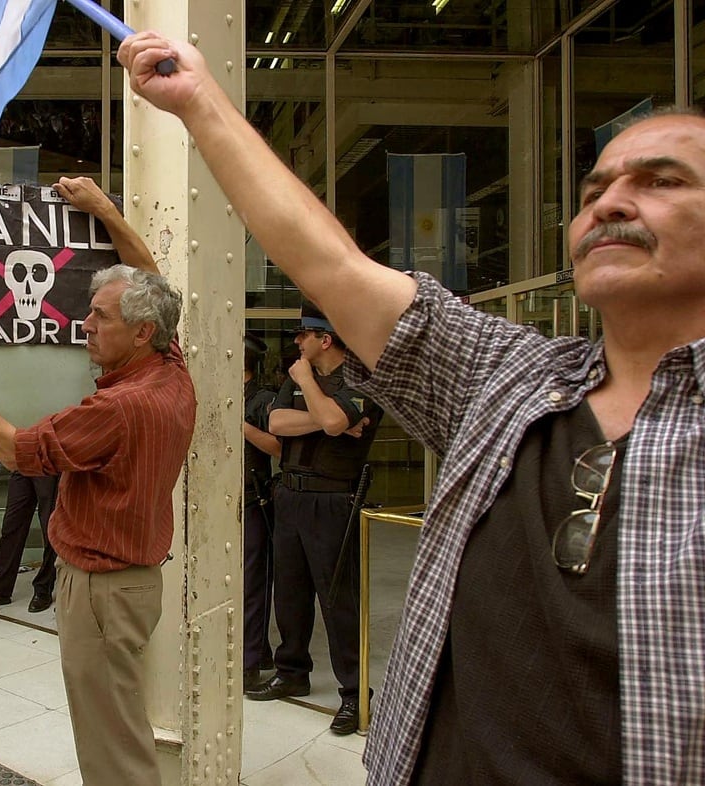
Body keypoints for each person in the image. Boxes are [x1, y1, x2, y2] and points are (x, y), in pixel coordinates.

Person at [120, 32, 705, 785]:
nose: (611, 202)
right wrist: (199, 103)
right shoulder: (509, 379)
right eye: (592, 192)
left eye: (662, 181)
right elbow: (333, 266)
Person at [0, 176, 196, 786]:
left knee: (111, 749)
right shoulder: (172, 372)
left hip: (100, 590)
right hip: (134, 583)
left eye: (99, 316)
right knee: (121, 727)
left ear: (142, 332)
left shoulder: (116, 409)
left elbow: (16, 451)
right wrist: (104, 211)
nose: (81, 323)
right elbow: (155, 283)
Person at [248, 306, 382, 739]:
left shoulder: (360, 379)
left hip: (333, 496)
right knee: (290, 591)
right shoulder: (293, 378)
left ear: (326, 339)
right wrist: (332, 424)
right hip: (290, 493)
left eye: (303, 335)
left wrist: (311, 389)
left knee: (338, 597)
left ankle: (354, 691)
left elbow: (329, 419)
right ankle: (292, 671)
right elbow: (276, 422)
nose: (296, 344)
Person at [240, 331, 279, 691]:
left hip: (253, 499)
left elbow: (277, 447)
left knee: (253, 584)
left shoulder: (264, 399)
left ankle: (249, 664)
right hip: (231, 501)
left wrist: (240, 425)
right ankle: (259, 649)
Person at [0, 470, 59, 612]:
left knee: (49, 528)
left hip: (46, 462)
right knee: (12, 525)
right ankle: (0, 588)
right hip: (22, 463)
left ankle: (43, 588)